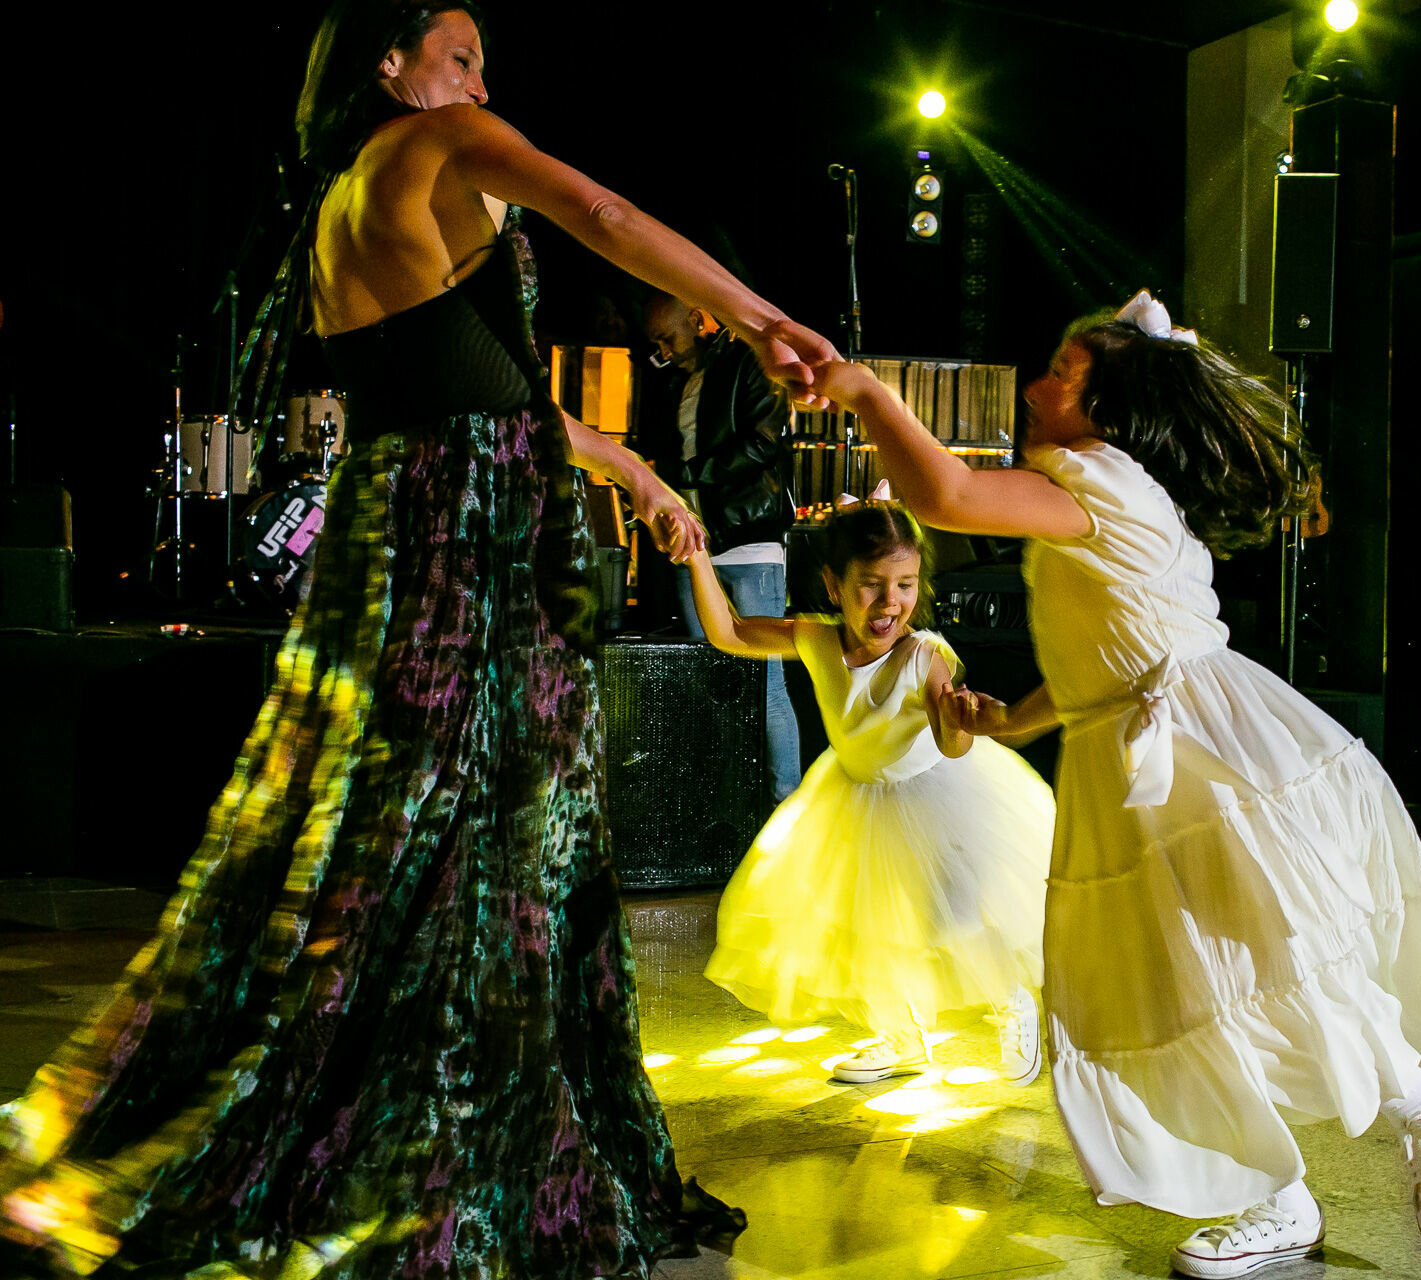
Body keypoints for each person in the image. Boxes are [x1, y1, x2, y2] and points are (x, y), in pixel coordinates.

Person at [0, 2, 838, 1275]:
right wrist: (767, 318)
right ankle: (462, 1145)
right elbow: (603, 217)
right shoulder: (436, 150)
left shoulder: (340, 200)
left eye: (486, 63)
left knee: (394, 828)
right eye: (457, 57)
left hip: (409, 517)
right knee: (509, 829)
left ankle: (346, 1118)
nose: (479, 81)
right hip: (482, 528)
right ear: (386, 65)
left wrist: (638, 475)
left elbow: (470, 389)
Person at [809, 290, 1421, 1276]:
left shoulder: (1098, 478)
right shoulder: (1084, 482)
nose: (1038, 384)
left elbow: (948, 497)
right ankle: (1274, 1199)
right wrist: (1014, 719)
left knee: (1269, 958)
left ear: (1109, 410)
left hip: (1203, 750)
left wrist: (868, 392)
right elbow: (1098, 664)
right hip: (1119, 758)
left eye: (1062, 371)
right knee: (1165, 990)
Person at [689, 499, 1054, 1086]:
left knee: (957, 920)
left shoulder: (923, 657)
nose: (890, 602)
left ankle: (1012, 1000)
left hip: (941, 801)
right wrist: (697, 555)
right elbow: (729, 632)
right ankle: (902, 1034)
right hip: (855, 797)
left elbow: (953, 747)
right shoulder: (815, 639)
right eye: (871, 585)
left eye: (905, 584)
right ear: (834, 585)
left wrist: (961, 719)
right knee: (874, 931)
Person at [640, 291, 803, 802]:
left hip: (750, 540)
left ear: (696, 318)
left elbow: (763, 441)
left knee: (766, 686)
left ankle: (784, 808)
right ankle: (725, 810)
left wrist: (686, 474)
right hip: (698, 549)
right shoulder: (680, 378)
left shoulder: (751, 360)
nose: (663, 350)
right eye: (656, 343)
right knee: (708, 683)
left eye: (668, 337)